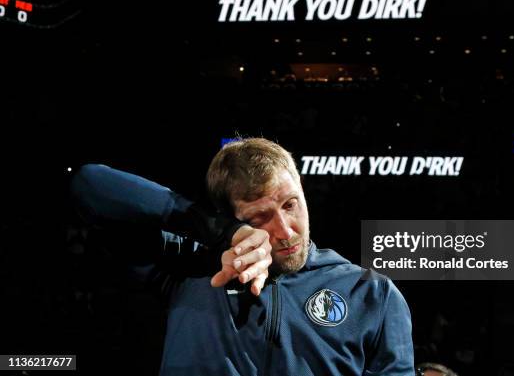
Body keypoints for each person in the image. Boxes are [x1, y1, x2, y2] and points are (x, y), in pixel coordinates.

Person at [70, 137, 414, 375]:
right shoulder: (191, 266)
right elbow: (90, 184)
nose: (286, 230)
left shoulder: (371, 292)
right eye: (259, 218)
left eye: (290, 205)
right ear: (229, 217)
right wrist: (222, 234)